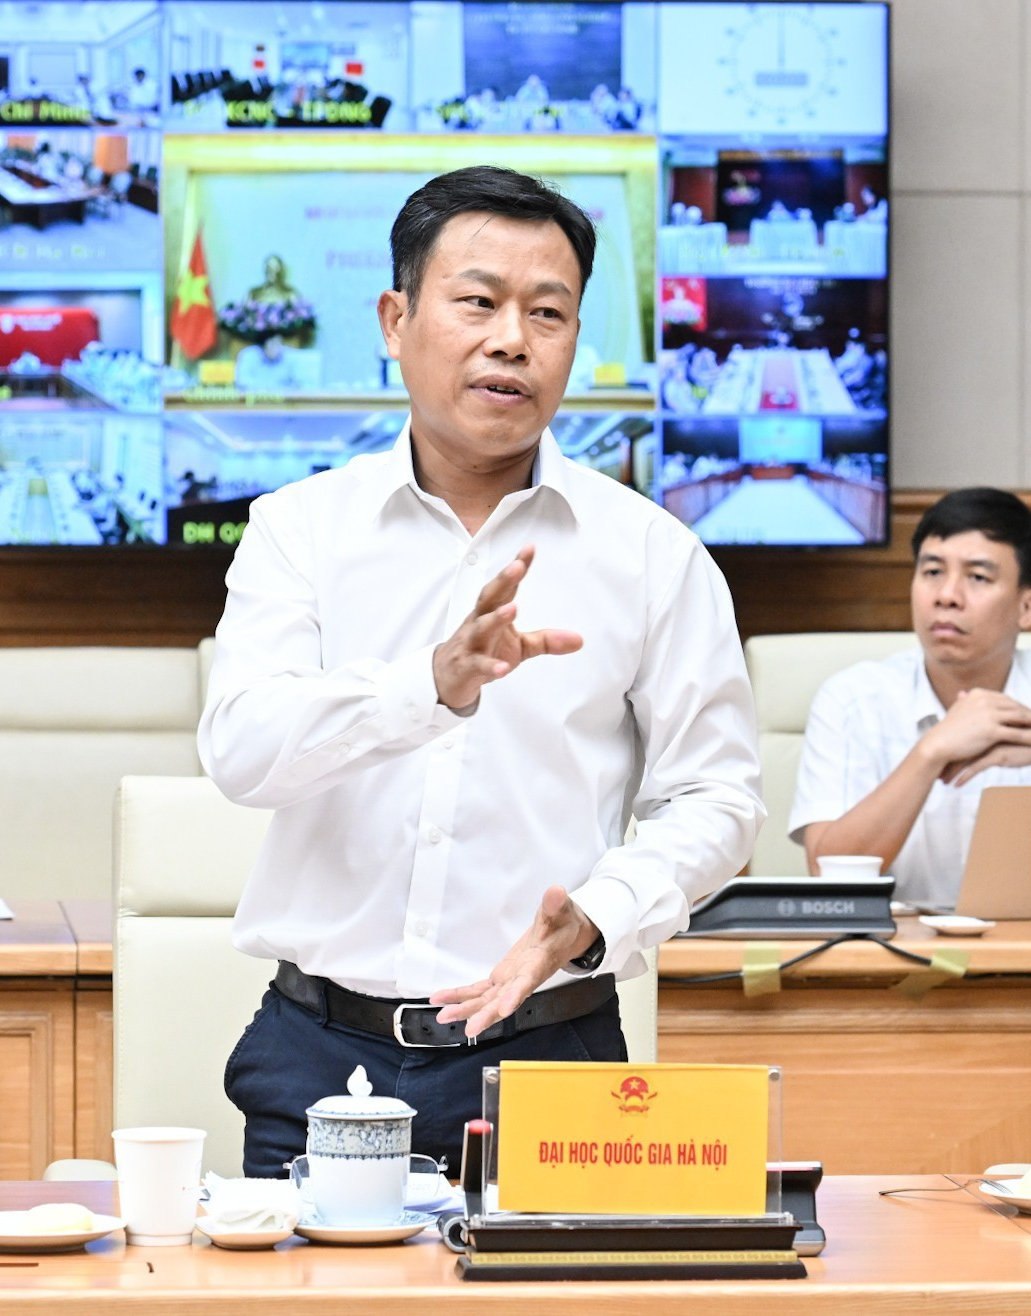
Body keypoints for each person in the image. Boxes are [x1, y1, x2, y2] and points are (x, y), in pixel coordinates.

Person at [200, 165, 763, 1176]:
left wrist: (597, 914)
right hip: (320, 1056)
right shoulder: (300, 530)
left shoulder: (651, 552)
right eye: (478, 301)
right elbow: (243, 752)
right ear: (395, 318)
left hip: (556, 1055)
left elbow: (717, 797)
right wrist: (432, 686)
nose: (513, 337)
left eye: (548, 312)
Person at [789, 488, 1031, 909]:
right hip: (886, 955)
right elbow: (827, 872)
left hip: (1030, 957)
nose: (946, 595)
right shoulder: (852, 699)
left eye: (978, 577)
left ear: (1028, 607)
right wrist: (932, 752)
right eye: (932, 571)